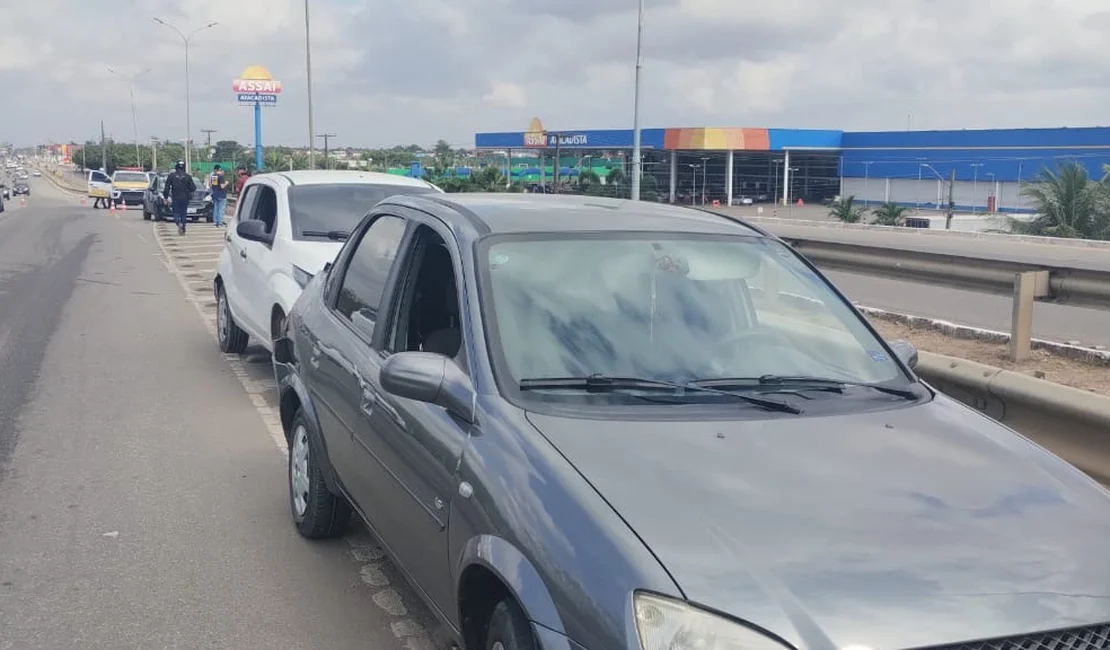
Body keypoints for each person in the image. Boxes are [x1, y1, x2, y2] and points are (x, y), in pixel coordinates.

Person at [163, 161, 196, 235]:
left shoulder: (172, 176)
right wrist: (187, 189)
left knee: (176, 212)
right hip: (185, 198)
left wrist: (165, 197)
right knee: (183, 213)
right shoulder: (188, 176)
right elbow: (193, 188)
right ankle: (183, 227)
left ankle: (178, 222)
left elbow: (167, 187)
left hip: (176, 197)